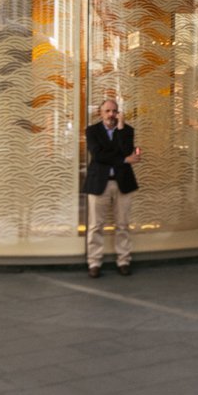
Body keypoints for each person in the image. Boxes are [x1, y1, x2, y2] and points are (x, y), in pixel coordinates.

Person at [82, 98, 139, 278]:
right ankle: (94, 262)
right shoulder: (92, 131)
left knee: (123, 225)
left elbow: (126, 150)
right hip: (99, 182)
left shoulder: (127, 130)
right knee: (95, 226)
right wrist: (124, 159)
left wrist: (120, 128)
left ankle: (123, 260)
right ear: (100, 113)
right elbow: (98, 155)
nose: (111, 114)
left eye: (114, 111)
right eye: (107, 111)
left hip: (123, 183)